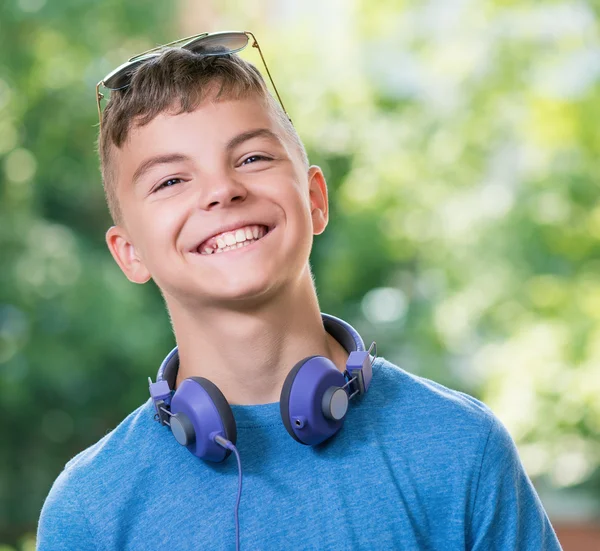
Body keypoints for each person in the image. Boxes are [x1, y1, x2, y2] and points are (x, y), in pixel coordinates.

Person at [36, 31, 562, 550]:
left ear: (314, 198)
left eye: (252, 159)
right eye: (171, 181)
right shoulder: (91, 510)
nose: (222, 190)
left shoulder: (460, 447)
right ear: (130, 253)